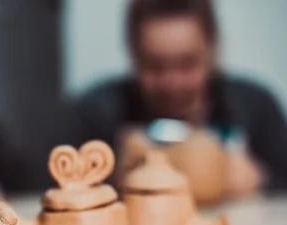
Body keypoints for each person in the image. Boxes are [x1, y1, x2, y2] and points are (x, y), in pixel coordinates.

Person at [73, 0, 287, 197]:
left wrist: (262, 181)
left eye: (187, 64)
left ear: (214, 52)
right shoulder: (96, 113)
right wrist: (106, 182)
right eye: (154, 66)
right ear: (133, 55)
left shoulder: (256, 107)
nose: (171, 84)